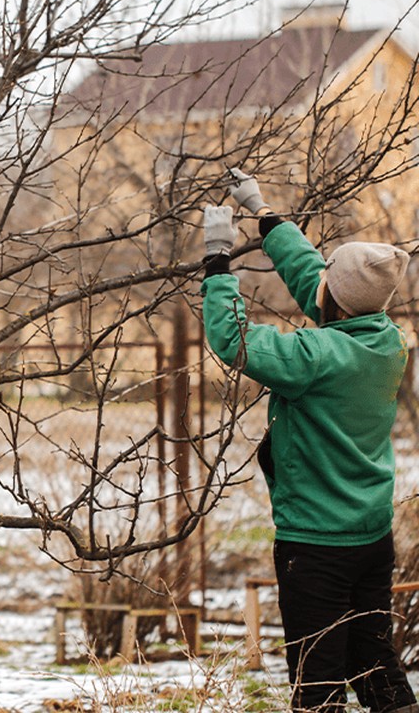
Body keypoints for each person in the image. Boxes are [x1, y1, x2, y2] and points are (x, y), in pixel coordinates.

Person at [201, 168, 418, 712]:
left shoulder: (315, 359)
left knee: (317, 684)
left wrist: (217, 261)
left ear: (336, 305)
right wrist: (266, 215)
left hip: (316, 546)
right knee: (374, 664)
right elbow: (318, 283)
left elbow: (234, 341)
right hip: (369, 537)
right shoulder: (387, 343)